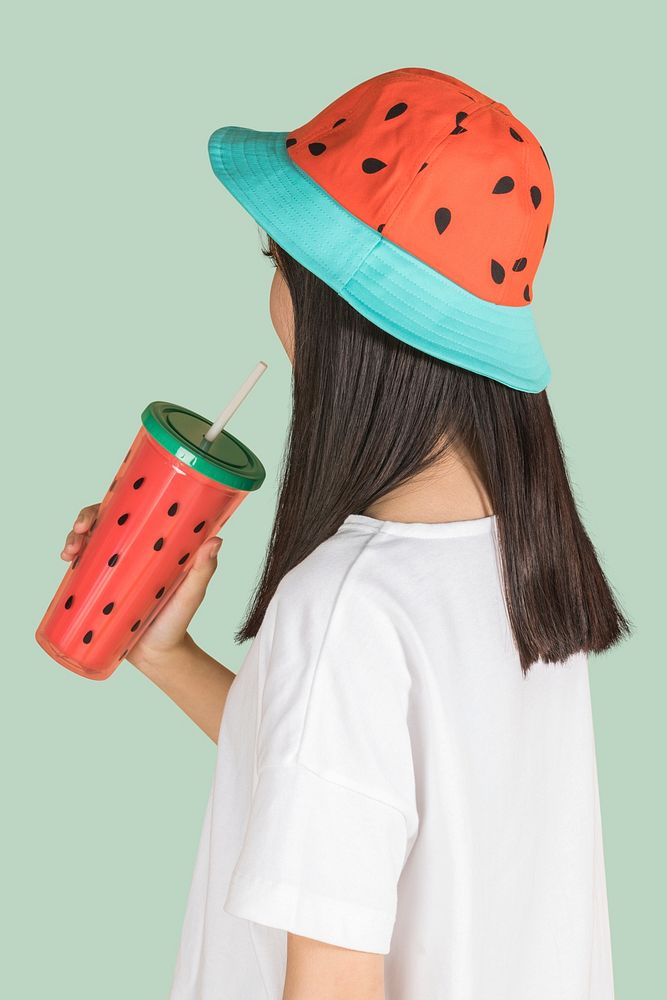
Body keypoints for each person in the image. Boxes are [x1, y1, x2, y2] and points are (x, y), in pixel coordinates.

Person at [61, 68, 630, 999]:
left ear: (337, 307)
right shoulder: (523, 559)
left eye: (276, 262)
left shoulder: (345, 603)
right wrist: (168, 657)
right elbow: (351, 797)